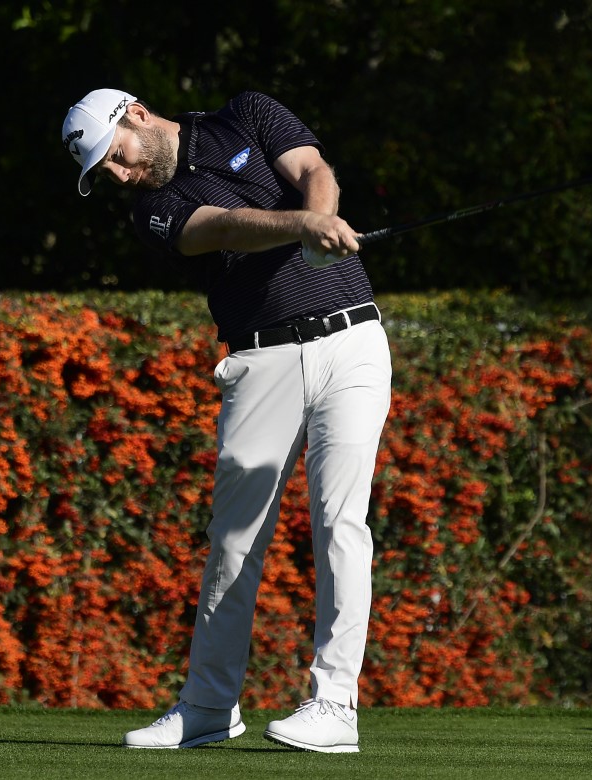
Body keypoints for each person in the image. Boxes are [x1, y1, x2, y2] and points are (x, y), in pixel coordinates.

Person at [60, 88, 392, 753]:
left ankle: (334, 707)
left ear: (136, 114)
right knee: (234, 540)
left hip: (352, 342)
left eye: (116, 158)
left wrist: (321, 220)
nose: (120, 176)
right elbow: (218, 227)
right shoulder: (153, 208)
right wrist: (304, 228)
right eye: (105, 174)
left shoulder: (247, 113)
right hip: (260, 360)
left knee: (339, 523)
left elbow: (313, 172)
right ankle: (209, 706)